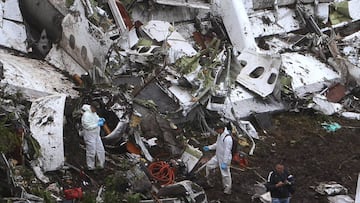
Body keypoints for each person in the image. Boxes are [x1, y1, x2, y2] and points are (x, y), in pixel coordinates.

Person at [203, 123, 233, 195]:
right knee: (209, 166)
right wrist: (209, 147)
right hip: (218, 156)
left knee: (225, 175)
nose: (216, 131)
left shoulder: (227, 138)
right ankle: (210, 182)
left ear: (221, 129)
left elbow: (227, 151)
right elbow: (217, 144)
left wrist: (225, 162)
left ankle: (227, 189)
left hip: (224, 158)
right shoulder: (220, 135)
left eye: (217, 130)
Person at [81, 102, 106, 170]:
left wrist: (100, 119)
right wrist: (97, 124)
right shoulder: (86, 115)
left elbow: (95, 119)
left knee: (100, 150)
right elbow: (87, 126)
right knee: (91, 151)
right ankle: (90, 166)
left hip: (96, 135)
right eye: (95, 109)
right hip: (89, 135)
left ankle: (100, 165)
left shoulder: (94, 113)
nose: (95, 110)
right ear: (92, 107)